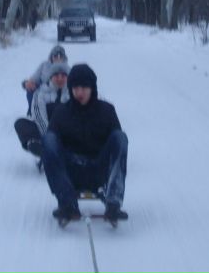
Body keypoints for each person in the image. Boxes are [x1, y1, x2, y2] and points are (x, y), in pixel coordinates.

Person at [42, 63, 128, 226]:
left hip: (99, 170)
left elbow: (116, 146)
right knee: (48, 139)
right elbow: (51, 147)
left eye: (83, 88)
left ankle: (113, 202)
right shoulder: (61, 112)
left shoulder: (107, 111)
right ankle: (67, 202)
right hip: (71, 171)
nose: (79, 92)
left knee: (120, 137)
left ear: (92, 88)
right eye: (75, 88)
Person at [14, 61, 70, 158]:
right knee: (20, 123)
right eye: (56, 75)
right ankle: (42, 149)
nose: (60, 78)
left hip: (69, 133)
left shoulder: (74, 92)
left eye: (63, 75)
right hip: (46, 131)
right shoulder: (41, 93)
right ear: (50, 77)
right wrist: (50, 139)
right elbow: (39, 117)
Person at [22, 45, 67, 116]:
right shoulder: (44, 65)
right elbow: (34, 78)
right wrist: (27, 83)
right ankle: (32, 113)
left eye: (60, 56)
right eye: (55, 56)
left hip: (58, 92)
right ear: (51, 57)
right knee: (30, 89)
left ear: (64, 58)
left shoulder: (66, 68)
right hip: (43, 90)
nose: (58, 58)